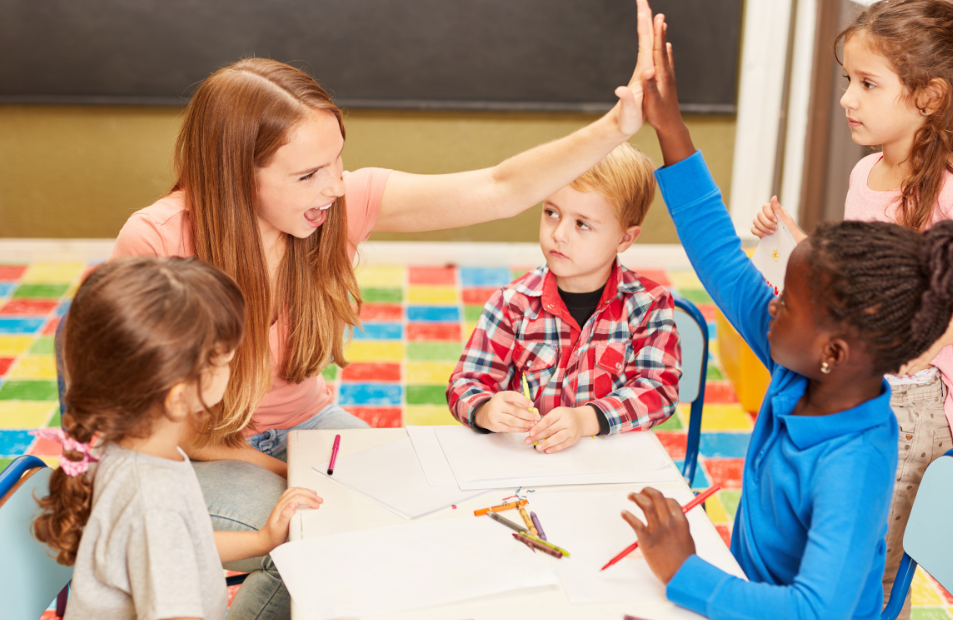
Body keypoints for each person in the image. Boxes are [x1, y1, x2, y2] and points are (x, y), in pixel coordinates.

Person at [110, 2, 660, 615]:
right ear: (239, 175)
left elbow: (500, 187)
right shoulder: (156, 242)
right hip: (193, 451)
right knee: (318, 537)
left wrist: (617, 127)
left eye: (339, 161)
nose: (336, 186)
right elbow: (147, 423)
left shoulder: (333, 208)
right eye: (310, 174)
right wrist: (290, 470)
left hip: (306, 431)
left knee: (414, 520)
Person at [619, 9, 953, 618]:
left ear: (833, 350)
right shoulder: (805, 367)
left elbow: (817, 611)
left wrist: (686, 573)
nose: (770, 302)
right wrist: (669, 125)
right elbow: (723, 263)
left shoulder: (855, 460)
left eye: (786, 301)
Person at [749, 2, 953, 612]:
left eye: (868, 84)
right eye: (848, 79)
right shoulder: (865, 174)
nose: (849, 98)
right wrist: (796, 246)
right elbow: (858, 283)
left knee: (873, 570)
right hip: (859, 380)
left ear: (929, 96)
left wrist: (932, 335)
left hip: (916, 401)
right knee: (823, 544)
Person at [33, 258, 322, 620]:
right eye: (224, 361)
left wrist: (263, 540)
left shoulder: (131, 446)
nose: (233, 369)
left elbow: (190, 543)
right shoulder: (154, 501)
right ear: (178, 396)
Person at [446, 142, 680, 453]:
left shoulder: (649, 306)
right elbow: (465, 384)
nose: (559, 234)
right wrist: (484, 409)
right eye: (552, 213)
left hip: (611, 464)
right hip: (535, 463)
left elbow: (659, 390)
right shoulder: (511, 304)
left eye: (582, 224)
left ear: (625, 238)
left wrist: (585, 420)